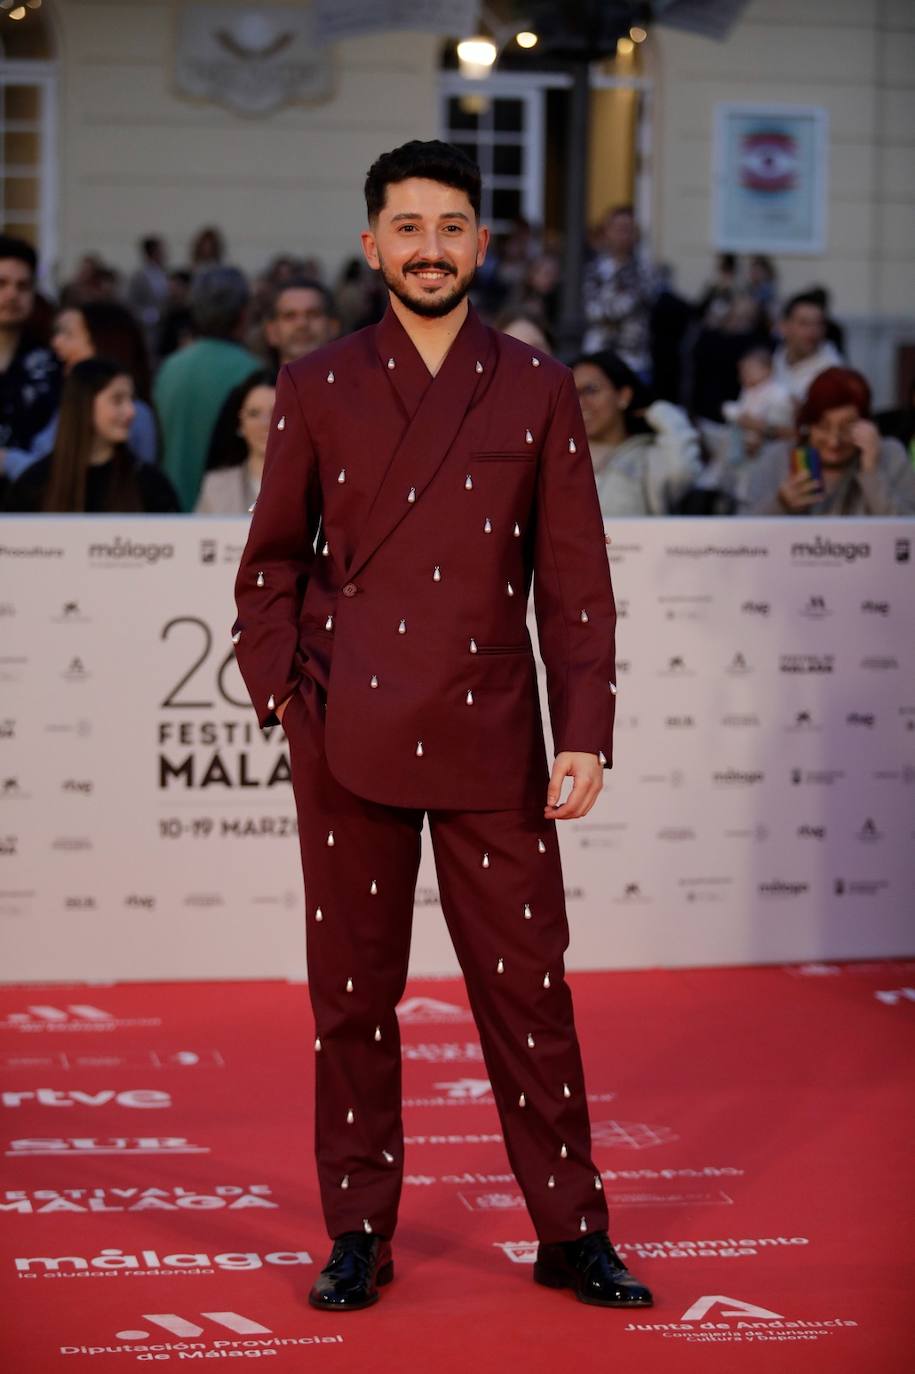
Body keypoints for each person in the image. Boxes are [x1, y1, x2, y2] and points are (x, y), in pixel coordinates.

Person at [232, 139, 652, 1315]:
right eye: (407, 228)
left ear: (481, 243)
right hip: (345, 730)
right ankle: (358, 1229)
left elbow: (576, 581)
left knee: (529, 993)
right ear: (373, 247)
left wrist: (586, 729)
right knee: (352, 1000)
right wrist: (284, 692)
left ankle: (572, 1232)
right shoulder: (316, 385)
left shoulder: (536, 382)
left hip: (492, 733)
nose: (430, 248)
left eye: (451, 226)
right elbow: (267, 564)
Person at [3, 356, 178, 513]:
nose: (131, 411)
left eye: (131, 399)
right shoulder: (35, 484)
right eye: (117, 400)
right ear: (84, 405)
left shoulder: (149, 484)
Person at [740, 366, 915, 516]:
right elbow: (742, 534)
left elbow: (907, 532)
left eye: (847, 427)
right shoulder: (778, 458)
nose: (834, 441)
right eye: (823, 426)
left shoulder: (889, 455)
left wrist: (871, 472)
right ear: (808, 424)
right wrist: (780, 504)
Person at [154, 266, 261, 511]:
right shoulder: (252, 373)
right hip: (225, 512)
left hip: (172, 508)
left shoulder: (171, 367)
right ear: (243, 314)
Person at [573, 349, 701, 516]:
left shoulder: (648, 458)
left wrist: (658, 411)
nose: (580, 402)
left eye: (591, 390)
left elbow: (683, 471)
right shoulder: (559, 459)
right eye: (572, 393)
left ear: (623, 396)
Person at [0, 235, 61, 488]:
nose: (12, 294)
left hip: (30, 506)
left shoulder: (49, 363)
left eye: (23, 286)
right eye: (1, 283)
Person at [582, 205, 656, 376]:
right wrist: (620, 304)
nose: (623, 235)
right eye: (618, 229)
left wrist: (610, 307)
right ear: (607, 232)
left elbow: (635, 302)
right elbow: (592, 311)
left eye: (628, 229)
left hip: (634, 358)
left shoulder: (644, 270)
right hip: (598, 354)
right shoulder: (594, 269)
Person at [196, 370, 276, 514]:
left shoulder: (314, 488)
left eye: (276, 413)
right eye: (254, 414)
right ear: (240, 424)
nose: (265, 423)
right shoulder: (215, 487)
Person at [771, 292, 842, 403]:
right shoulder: (778, 355)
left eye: (818, 324)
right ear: (784, 326)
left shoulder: (831, 372)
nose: (812, 331)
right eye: (804, 324)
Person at [262, 278, 339, 369]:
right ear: (272, 332)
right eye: (290, 316)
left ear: (333, 327)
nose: (302, 324)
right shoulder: (250, 382)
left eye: (313, 314)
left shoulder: (357, 381)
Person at [126, 235, 170, 361]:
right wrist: (152, 315)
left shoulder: (165, 273)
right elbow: (132, 304)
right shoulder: (138, 277)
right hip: (148, 330)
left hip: (164, 328)